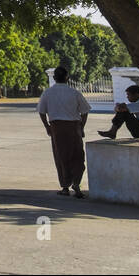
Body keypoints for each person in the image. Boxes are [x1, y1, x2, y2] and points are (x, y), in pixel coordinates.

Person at [38, 66, 91, 198]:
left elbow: (42, 112)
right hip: (74, 127)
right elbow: (85, 111)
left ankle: (65, 186)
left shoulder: (48, 93)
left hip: (57, 127)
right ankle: (77, 184)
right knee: (77, 156)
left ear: (54, 78)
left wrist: (47, 127)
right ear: (67, 78)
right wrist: (81, 127)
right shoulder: (74, 93)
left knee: (61, 156)